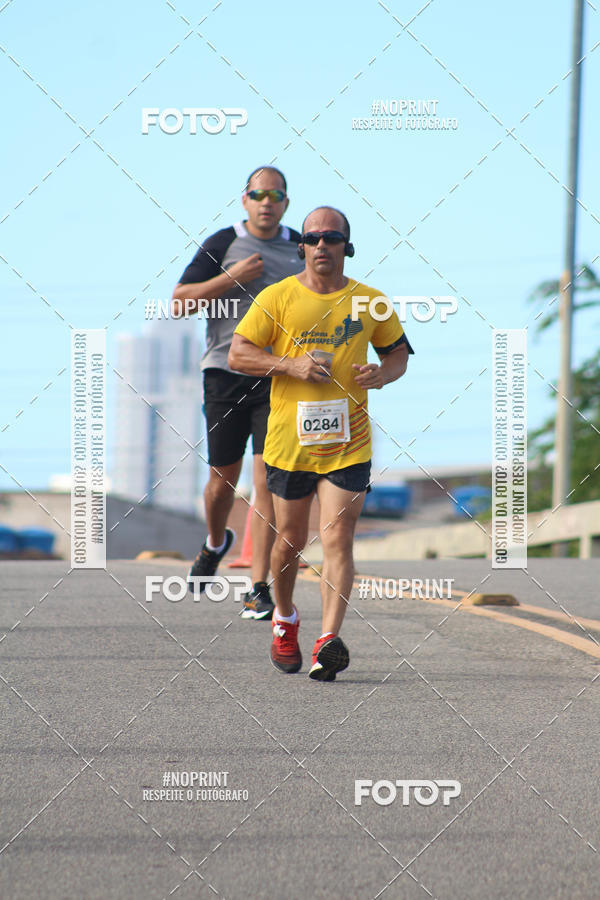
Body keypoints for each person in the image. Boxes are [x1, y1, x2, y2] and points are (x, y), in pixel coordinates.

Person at [228, 207, 413, 680]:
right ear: (302, 247)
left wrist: (383, 375)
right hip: (290, 442)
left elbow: (397, 356)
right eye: (313, 238)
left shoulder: (370, 301)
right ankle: (284, 617)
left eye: (331, 237)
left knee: (337, 537)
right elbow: (238, 354)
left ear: (347, 246)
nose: (321, 245)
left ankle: (328, 639)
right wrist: (291, 365)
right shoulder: (277, 296)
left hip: (349, 441)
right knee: (289, 541)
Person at [172, 166, 303, 619]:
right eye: (258, 194)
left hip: (277, 377)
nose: (267, 202)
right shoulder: (222, 243)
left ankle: (257, 588)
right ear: (245, 200)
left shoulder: (300, 247)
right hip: (224, 373)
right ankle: (215, 542)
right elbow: (179, 302)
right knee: (221, 482)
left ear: (286, 203)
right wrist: (232, 277)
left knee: (266, 481)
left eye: (276, 195)